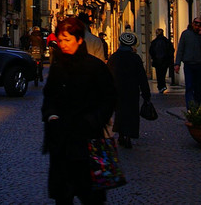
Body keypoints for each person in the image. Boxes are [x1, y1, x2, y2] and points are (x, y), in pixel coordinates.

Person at [42, 17, 116, 205]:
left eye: (67, 40)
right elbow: (49, 96)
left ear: (79, 40)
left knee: (92, 197)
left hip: (89, 142)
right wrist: (51, 116)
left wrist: (93, 120)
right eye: (60, 40)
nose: (63, 44)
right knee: (63, 196)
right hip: (62, 143)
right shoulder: (58, 67)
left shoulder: (95, 67)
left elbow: (109, 99)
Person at [107, 31, 150, 149]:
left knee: (120, 112)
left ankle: (121, 133)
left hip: (117, 90)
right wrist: (146, 94)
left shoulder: (114, 57)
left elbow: (107, 75)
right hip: (132, 90)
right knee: (131, 113)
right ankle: (128, 136)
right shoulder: (135, 58)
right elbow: (142, 77)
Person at [174, 15, 201, 108]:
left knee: (198, 88)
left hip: (199, 64)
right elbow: (180, 49)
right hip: (188, 64)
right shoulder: (185, 34)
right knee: (189, 86)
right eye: (196, 24)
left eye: (199, 24)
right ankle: (190, 107)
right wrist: (177, 63)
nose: (197, 26)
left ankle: (197, 106)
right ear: (192, 24)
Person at [149, 28, 174, 94]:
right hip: (165, 61)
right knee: (163, 73)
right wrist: (169, 59)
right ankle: (162, 85)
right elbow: (171, 50)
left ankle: (160, 86)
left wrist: (153, 58)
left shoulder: (154, 42)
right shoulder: (167, 41)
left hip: (157, 61)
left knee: (159, 74)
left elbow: (151, 51)